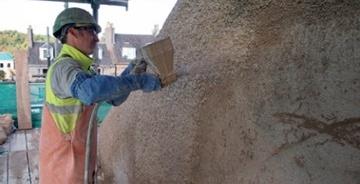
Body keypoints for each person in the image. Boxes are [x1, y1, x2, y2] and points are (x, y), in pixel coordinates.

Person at [38, 7, 161, 184]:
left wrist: (132, 71)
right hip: (62, 170)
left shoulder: (82, 69)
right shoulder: (63, 68)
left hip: (79, 164)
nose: (96, 38)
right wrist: (138, 81)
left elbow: (115, 98)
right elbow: (91, 92)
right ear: (73, 31)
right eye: (91, 31)